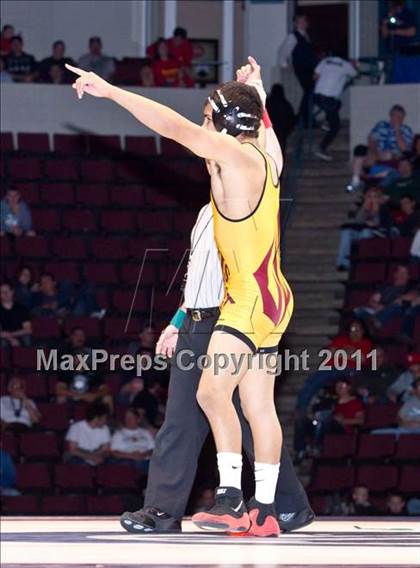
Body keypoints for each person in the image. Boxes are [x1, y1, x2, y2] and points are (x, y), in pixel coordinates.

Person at [62, 56, 314, 536]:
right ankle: (262, 510)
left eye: (206, 117)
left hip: (246, 299)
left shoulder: (233, 157)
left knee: (210, 392)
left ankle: (232, 498)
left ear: (220, 126)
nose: (201, 124)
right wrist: (257, 92)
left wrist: (111, 91)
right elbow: (263, 131)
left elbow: (171, 126)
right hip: (274, 297)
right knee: (256, 405)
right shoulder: (267, 158)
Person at [348, 104, 414, 192]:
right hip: (377, 153)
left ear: (403, 118)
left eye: (399, 117)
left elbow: (405, 149)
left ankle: (369, 180)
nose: (396, 118)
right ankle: (355, 181)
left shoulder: (406, 130)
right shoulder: (382, 125)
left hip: (394, 157)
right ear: (390, 115)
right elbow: (372, 139)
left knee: (389, 154)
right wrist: (375, 153)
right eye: (394, 115)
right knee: (360, 149)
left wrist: (397, 131)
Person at [55, 327, 113, 411]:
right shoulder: (66, 370)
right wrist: (80, 396)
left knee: (107, 398)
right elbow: (59, 390)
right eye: (77, 357)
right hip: (73, 397)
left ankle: (108, 423)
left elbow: (105, 389)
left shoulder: (92, 371)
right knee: (61, 399)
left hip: (89, 397)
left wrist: (94, 395)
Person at [313, 54, 357, 161]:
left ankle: (326, 122)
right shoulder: (346, 65)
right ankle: (321, 148)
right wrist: (353, 65)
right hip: (328, 99)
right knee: (336, 126)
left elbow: (315, 77)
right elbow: (355, 74)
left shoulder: (326, 60)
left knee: (337, 104)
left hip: (317, 96)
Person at [336, 187, 392, 270]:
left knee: (366, 232)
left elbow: (379, 224)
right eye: (369, 196)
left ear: (379, 198)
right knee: (346, 232)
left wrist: (375, 212)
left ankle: (361, 262)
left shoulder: (383, 208)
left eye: (375, 196)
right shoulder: (363, 207)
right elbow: (358, 221)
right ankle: (343, 263)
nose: (372, 199)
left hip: (377, 233)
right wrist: (364, 209)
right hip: (360, 231)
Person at [278, 10, 317, 127]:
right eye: (301, 21)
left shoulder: (306, 37)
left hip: (309, 70)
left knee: (308, 94)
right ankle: (302, 119)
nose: (303, 23)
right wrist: (286, 68)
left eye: (305, 21)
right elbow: (282, 53)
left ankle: (303, 119)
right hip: (301, 70)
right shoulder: (293, 36)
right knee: (307, 93)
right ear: (296, 23)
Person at [110, 408, 155, 472]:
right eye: (126, 418)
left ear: (138, 420)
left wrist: (143, 454)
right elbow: (113, 452)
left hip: (144, 459)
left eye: (131, 418)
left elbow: (153, 449)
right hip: (127, 460)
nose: (128, 420)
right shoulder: (119, 433)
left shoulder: (146, 432)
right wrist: (131, 456)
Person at [265, 84, 296, 152]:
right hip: (282, 132)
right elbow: (292, 119)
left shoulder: (267, 103)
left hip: (269, 131)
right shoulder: (286, 104)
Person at [0, 282, 32, 347]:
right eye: (2, 292)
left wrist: (12, 334)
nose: (5, 294)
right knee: (3, 343)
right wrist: (11, 339)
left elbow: (28, 330)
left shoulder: (22, 308)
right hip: (4, 337)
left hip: (19, 334)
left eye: (7, 291)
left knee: (27, 340)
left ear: (12, 292)